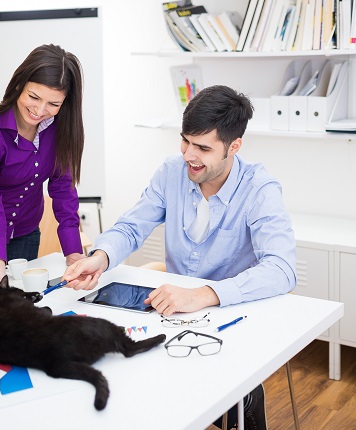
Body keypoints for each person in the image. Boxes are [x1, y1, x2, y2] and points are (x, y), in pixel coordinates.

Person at [62, 85, 297, 430]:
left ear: (234, 147)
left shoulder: (260, 189)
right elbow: (131, 227)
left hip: (231, 316)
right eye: (185, 141)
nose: (189, 154)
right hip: (174, 319)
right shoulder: (171, 172)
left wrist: (202, 295)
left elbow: (282, 270)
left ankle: (241, 401)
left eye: (203, 147)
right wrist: (99, 257)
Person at [0, 44, 86, 299]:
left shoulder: (61, 130)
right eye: (34, 97)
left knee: (20, 305)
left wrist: (74, 254)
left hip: (24, 230)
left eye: (53, 103)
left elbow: (64, 191)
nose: (40, 110)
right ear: (20, 84)